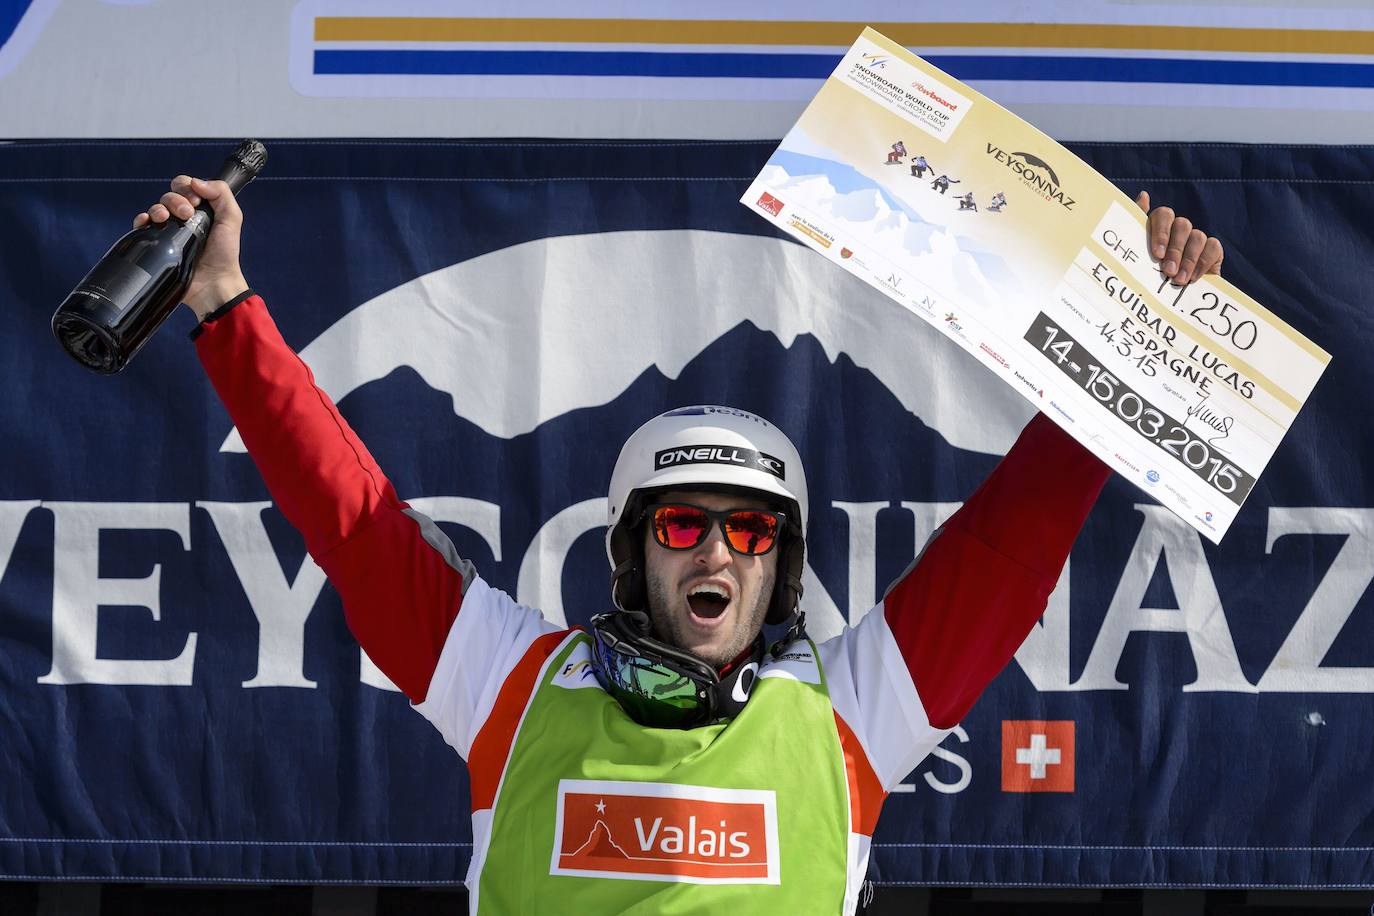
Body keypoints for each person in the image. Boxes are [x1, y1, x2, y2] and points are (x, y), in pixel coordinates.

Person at [135, 178, 1223, 913]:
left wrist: (1127, 333)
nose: (718, 550)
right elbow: (354, 524)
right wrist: (223, 301)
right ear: (632, 552)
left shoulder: (853, 710)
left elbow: (1008, 549)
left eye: (750, 529)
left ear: (780, 564)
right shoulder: (508, 681)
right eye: (682, 524)